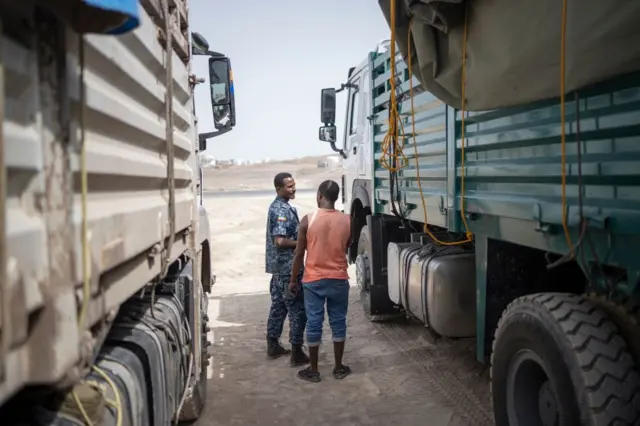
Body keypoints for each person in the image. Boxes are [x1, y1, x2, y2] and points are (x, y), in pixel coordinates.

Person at [289, 180, 351, 382]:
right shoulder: (348, 220)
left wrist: (293, 280)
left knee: (314, 322)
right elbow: (346, 246)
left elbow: (299, 254)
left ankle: (313, 370)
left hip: (313, 280)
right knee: (338, 321)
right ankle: (339, 367)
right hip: (339, 279)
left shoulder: (308, 220)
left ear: (319, 196)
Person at [265, 172, 309, 366]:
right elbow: (280, 241)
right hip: (287, 268)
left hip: (279, 269)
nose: (293, 189)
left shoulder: (281, 207)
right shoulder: (281, 211)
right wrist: (303, 242)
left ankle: (273, 345)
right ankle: (297, 352)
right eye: (289, 186)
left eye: (294, 185)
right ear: (278, 189)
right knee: (298, 309)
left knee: (279, 306)